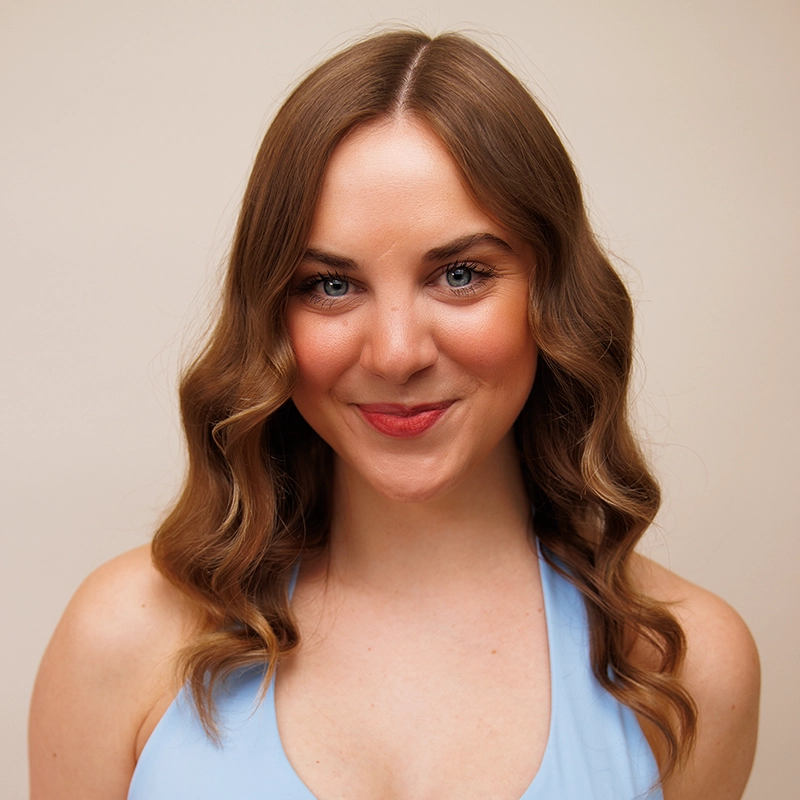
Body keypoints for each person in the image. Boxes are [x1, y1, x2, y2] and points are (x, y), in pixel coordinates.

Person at [29, 29, 759, 800]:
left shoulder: (686, 669)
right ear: (273, 315)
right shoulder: (120, 639)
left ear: (553, 298)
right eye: (330, 286)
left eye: (460, 274)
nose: (397, 354)